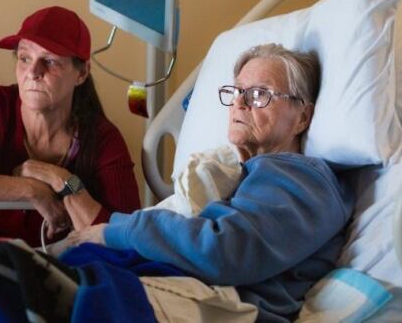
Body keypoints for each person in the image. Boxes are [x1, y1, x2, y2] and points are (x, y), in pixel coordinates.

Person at [61, 44, 354, 322]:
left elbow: (222, 249)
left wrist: (115, 233)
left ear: (302, 117)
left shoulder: (303, 179)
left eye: (258, 94)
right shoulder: (250, 172)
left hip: (224, 306)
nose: (239, 103)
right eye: (236, 91)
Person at [0, 6, 141, 247]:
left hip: (55, 268)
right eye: (25, 58)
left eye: (50, 61)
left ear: (82, 73)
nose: (33, 72)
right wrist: (29, 189)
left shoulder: (102, 138)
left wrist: (61, 179)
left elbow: (126, 237)